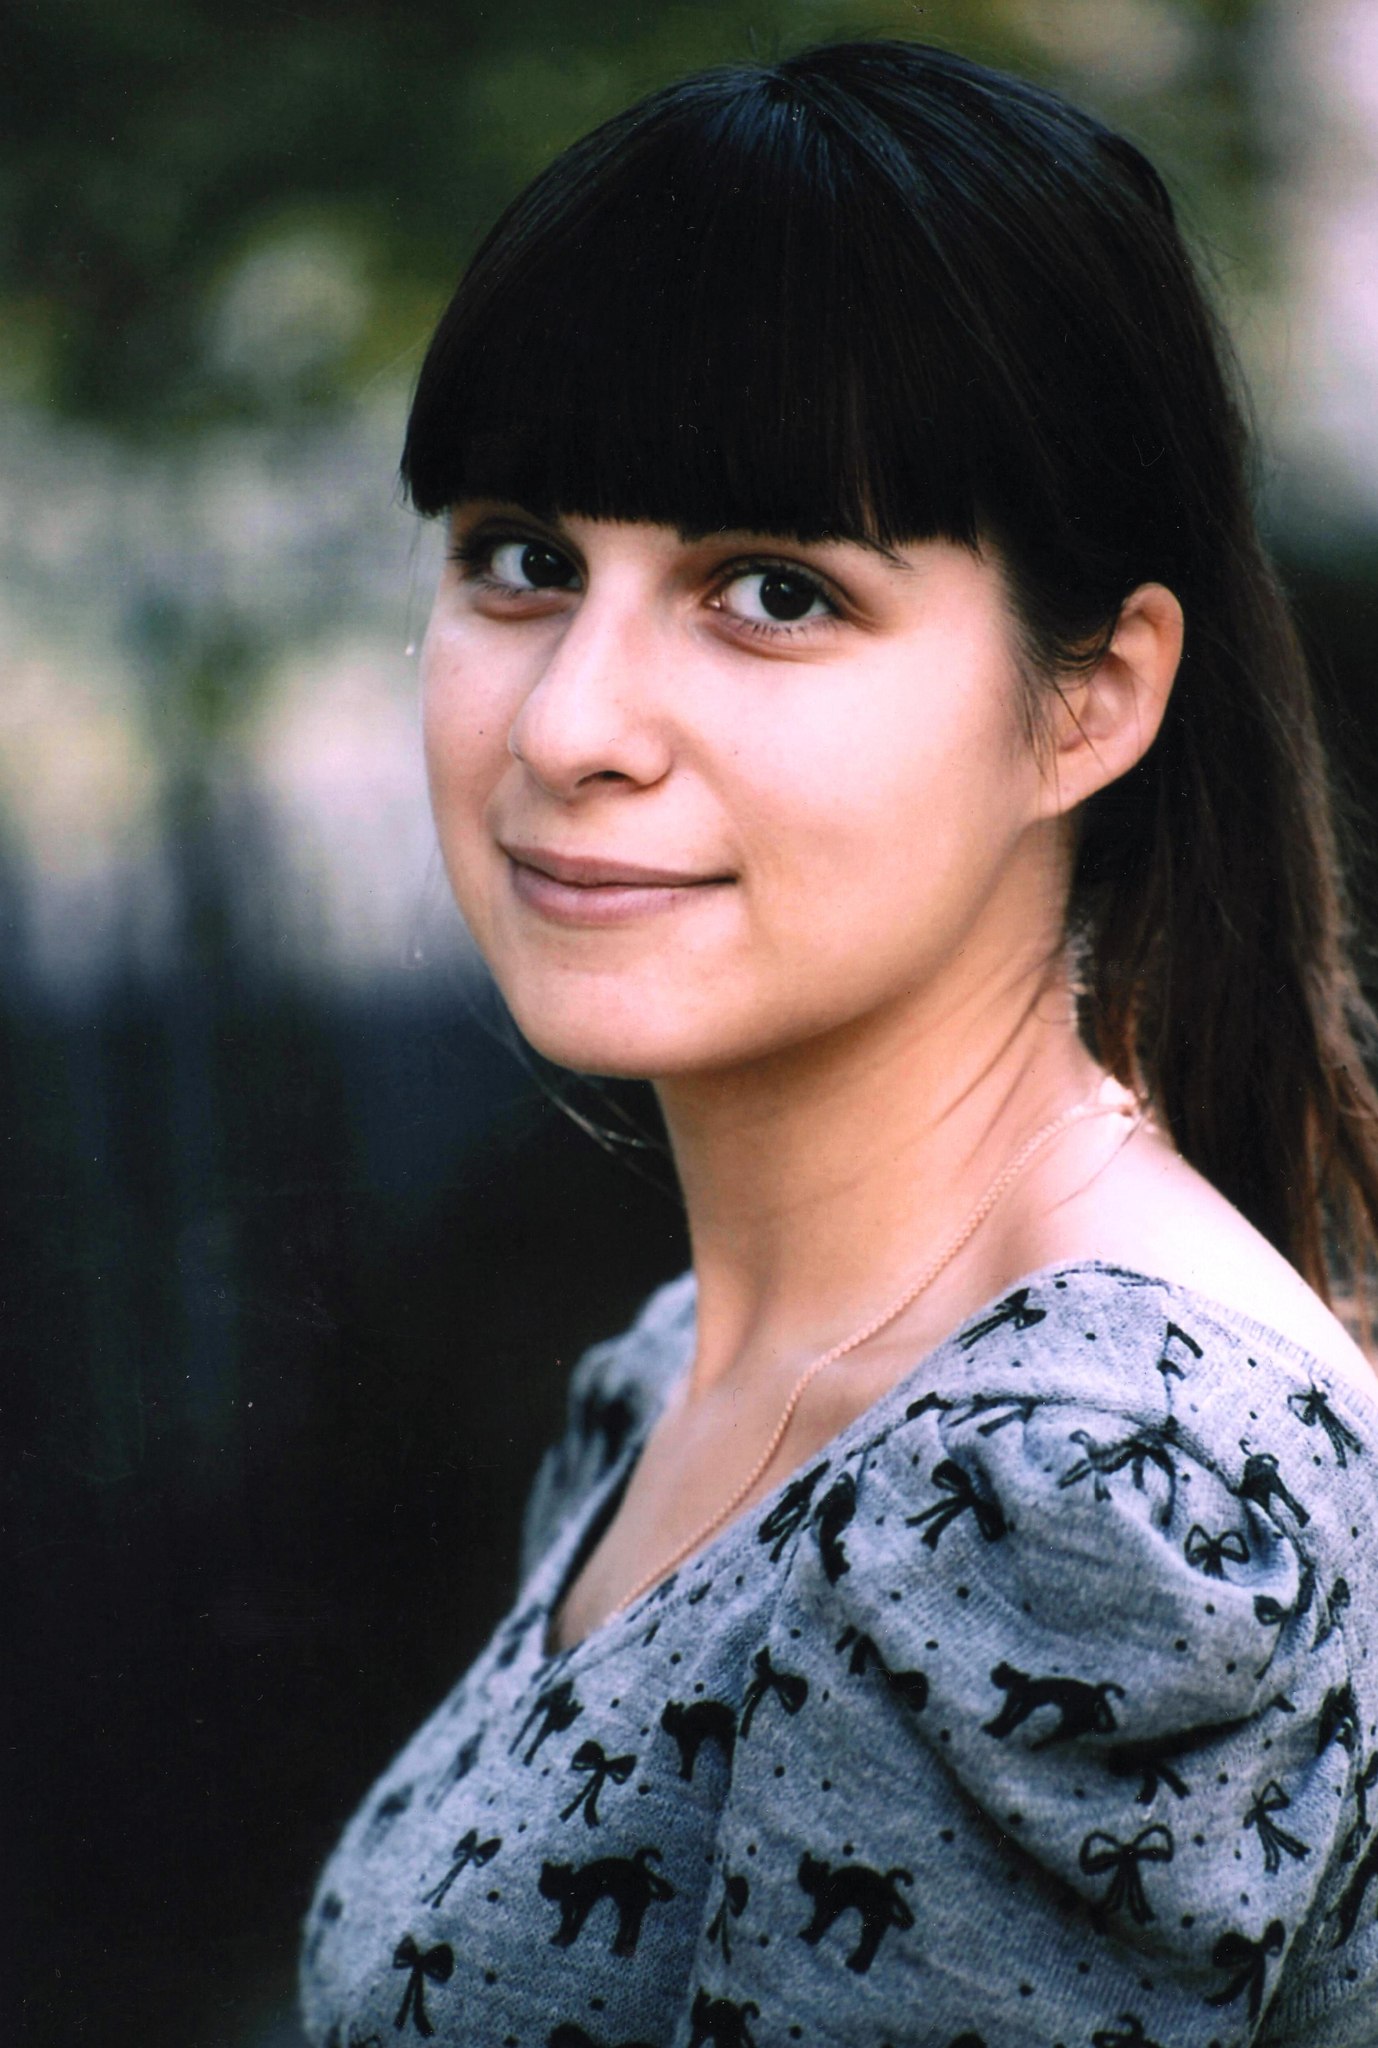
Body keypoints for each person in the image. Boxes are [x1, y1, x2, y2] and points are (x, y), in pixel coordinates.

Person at [298, 37, 1378, 2047]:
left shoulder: (1085, 1498)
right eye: (523, 559)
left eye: (773, 592)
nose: (569, 725)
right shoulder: (678, 1377)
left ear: (1089, 699)